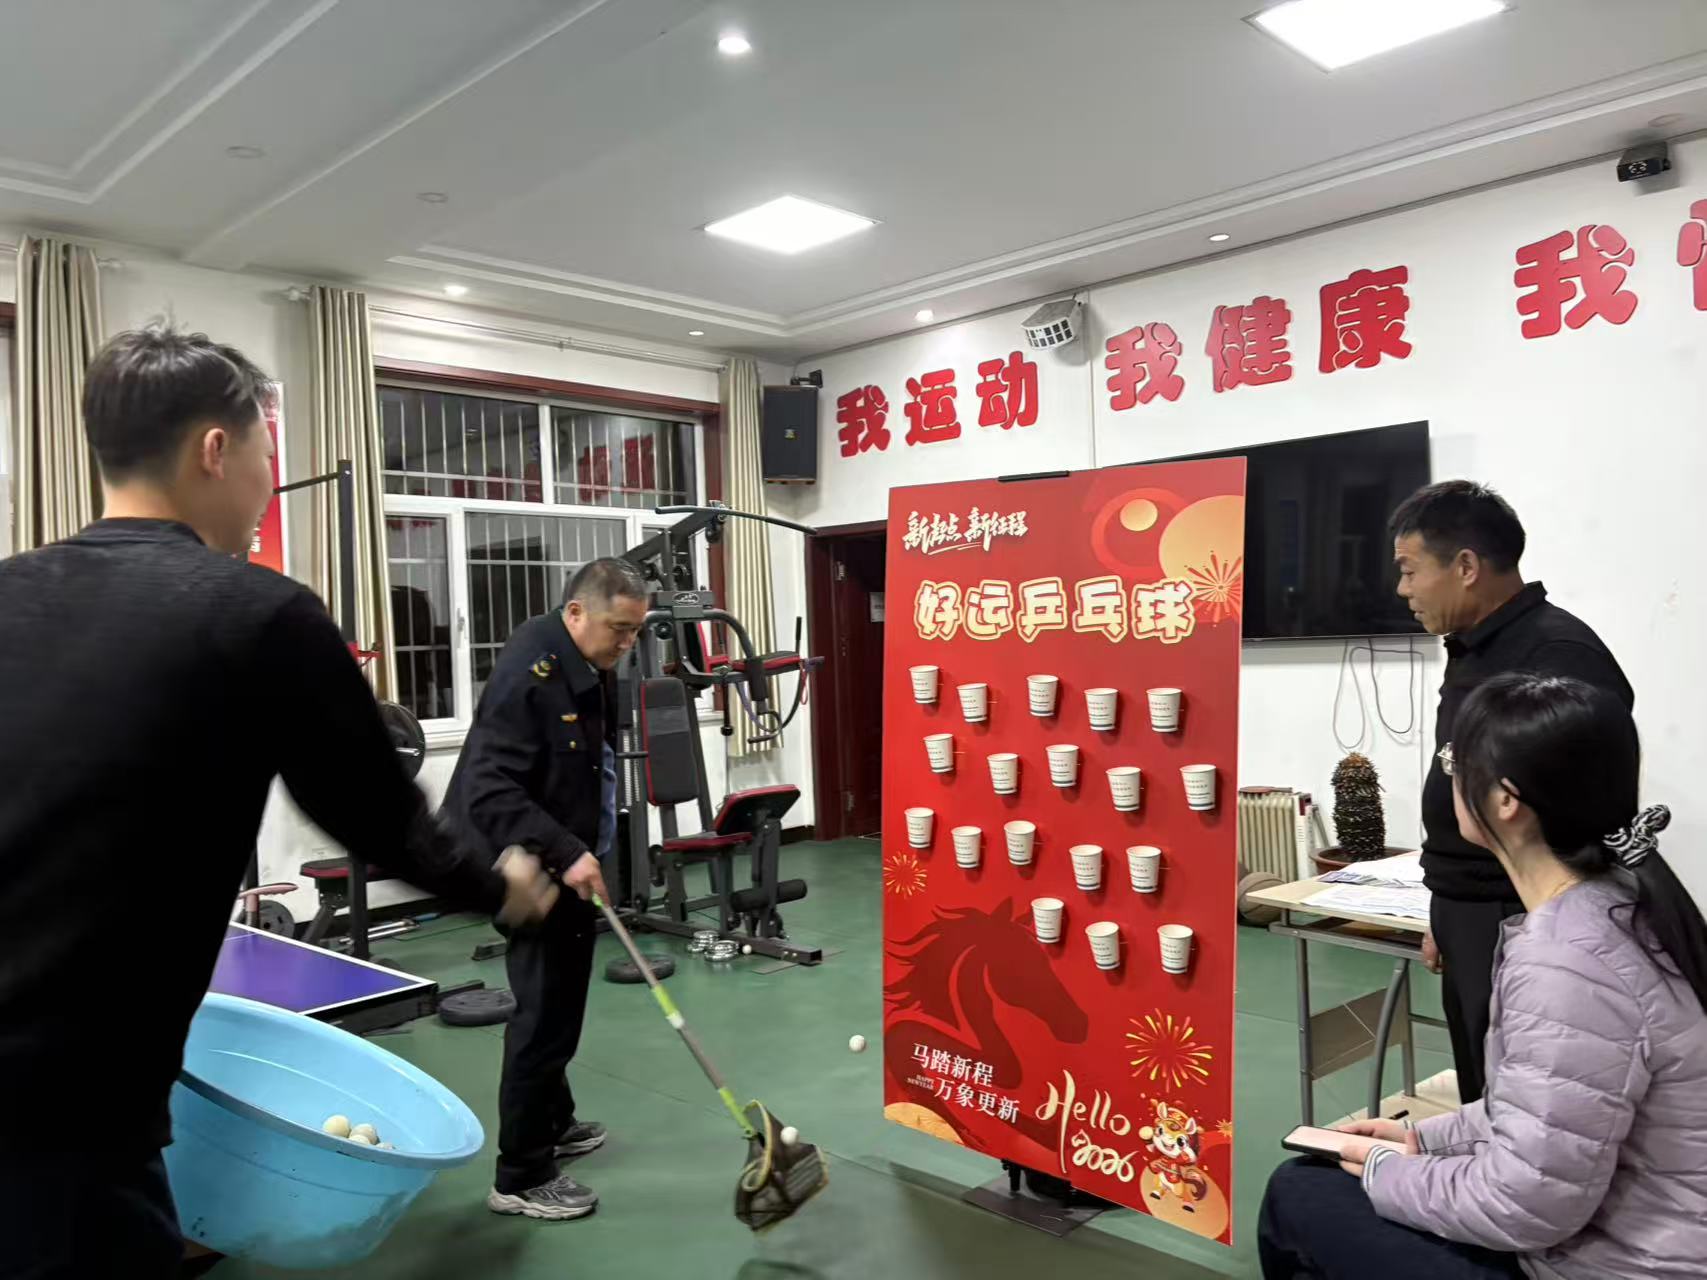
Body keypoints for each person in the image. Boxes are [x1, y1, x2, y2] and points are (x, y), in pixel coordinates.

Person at [0, 327, 562, 1279]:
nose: (268, 482)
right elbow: (378, 815)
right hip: (68, 1105)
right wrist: (500, 888)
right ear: (215, 449)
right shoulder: (258, 612)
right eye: (267, 453)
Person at [1259, 673, 1707, 1279]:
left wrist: (1387, 1171)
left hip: (1620, 1263)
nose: (1448, 777)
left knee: (1297, 1195)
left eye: (1453, 762)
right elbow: (1546, 1113)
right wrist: (1428, 1141)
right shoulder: (1621, 901)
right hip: (1639, 1234)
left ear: (1505, 801)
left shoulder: (1567, 962)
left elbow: (1526, 1206)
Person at [1391, 480, 1632, 1102]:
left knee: (1525, 1092)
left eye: (1410, 570)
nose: (1403, 589)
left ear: (1466, 566)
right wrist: (1445, 909)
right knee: (1482, 1076)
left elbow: (1582, 817)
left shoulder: (1558, 655)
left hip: (1520, 914)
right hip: (1471, 907)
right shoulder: (1474, 646)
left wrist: (1538, 930)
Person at [441, 556, 647, 1221]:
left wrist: (587, 849)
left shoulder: (589, 661)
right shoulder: (529, 671)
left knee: (560, 1002)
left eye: (635, 631)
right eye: (619, 629)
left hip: (560, 854)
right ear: (576, 612)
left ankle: (553, 1122)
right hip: (519, 866)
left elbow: (582, 768)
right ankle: (522, 1175)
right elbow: (488, 787)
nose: (627, 643)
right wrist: (565, 852)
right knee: (544, 1015)